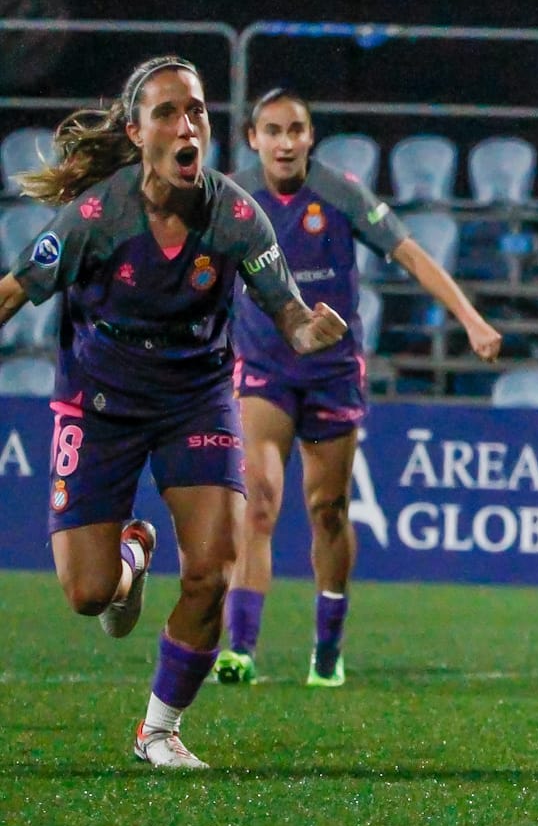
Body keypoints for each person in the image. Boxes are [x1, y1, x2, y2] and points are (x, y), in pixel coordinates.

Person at [0, 56, 346, 767]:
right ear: (136, 132)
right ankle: (130, 557)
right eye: (168, 113)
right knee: (90, 595)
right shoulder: (96, 216)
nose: (188, 125)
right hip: (98, 401)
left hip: (196, 398)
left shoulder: (237, 217)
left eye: (196, 111)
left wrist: (313, 330)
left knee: (214, 570)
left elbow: (289, 315)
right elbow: (11, 293)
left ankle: (159, 728)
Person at [214, 88, 504, 688]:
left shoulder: (339, 192)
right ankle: (239, 648)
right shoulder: (232, 199)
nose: (286, 141)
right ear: (253, 139)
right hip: (264, 368)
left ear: (311, 136)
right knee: (258, 501)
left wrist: (471, 320)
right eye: (273, 130)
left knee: (327, 510)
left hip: (332, 373)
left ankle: (327, 644)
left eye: (296, 129)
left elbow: (411, 255)